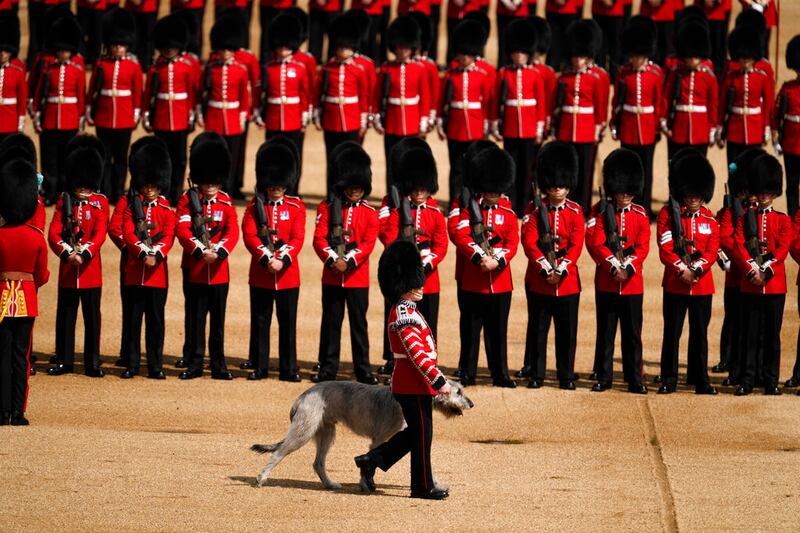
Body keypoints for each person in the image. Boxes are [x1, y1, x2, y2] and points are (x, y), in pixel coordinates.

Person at [354, 239, 452, 501]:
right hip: (412, 383)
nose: (421, 286)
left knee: (417, 434)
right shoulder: (403, 314)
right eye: (414, 283)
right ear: (403, 286)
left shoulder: (408, 310)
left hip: (415, 383)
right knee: (422, 436)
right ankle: (421, 487)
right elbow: (416, 353)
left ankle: (372, 460)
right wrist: (439, 380)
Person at [311, 142, 379, 384]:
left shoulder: (370, 213)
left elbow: (368, 243)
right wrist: (333, 259)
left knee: (358, 325)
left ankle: (363, 369)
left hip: (356, 278)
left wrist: (348, 262)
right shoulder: (328, 208)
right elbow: (319, 239)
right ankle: (327, 368)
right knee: (330, 323)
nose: (354, 192)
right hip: (332, 276)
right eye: (350, 187)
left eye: (358, 188)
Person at [453, 145, 518, 388]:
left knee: (498, 330)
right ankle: (467, 372)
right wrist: (480, 256)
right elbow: (461, 235)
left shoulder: (507, 211)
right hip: (474, 278)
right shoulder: (470, 208)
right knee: (470, 330)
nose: (492, 193)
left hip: (500, 281)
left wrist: (497, 260)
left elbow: (512, 242)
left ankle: (500, 373)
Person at [175, 133, 239, 380]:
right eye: (207, 180)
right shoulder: (188, 200)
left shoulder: (225, 202)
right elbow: (182, 229)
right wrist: (200, 251)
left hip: (219, 270)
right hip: (196, 267)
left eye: (214, 180)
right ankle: (195, 362)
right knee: (196, 318)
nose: (210, 184)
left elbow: (232, 232)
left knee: (217, 322)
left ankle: (218, 364)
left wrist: (219, 251)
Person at [520, 141, 583, 390]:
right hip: (541, 279)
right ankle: (537, 374)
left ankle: (565, 375)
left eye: (562, 183)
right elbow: (529, 242)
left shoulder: (575, 211)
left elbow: (576, 245)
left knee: (567, 333)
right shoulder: (535, 209)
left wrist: (562, 268)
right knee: (538, 331)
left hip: (567, 282)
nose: (557, 188)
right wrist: (546, 268)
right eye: (554, 183)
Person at [655, 149, 719, 395]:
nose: (693, 197)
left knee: (700, 334)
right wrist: (682, 269)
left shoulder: (709, 219)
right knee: (672, 333)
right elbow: (665, 247)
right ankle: (669, 378)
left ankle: (700, 379)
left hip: (701, 285)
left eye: (698, 193)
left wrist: (696, 270)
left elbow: (711, 252)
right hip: (676, 281)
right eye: (690, 192)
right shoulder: (668, 215)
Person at [586, 149, 650, 394]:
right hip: (608, 281)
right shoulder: (604, 214)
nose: (624, 195)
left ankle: (635, 379)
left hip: (632, 284)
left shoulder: (641, 216)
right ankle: (604, 377)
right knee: (606, 333)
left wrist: (627, 268)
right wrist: (613, 265)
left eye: (629, 192)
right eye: (621, 191)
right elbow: (597, 243)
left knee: (633, 335)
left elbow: (643, 247)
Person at [241, 138, 305, 382]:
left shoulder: (296, 206)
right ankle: (260, 366)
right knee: (261, 321)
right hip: (262, 273)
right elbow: (249, 235)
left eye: (280, 183)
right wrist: (267, 258)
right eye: (273, 183)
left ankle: (289, 368)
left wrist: (282, 260)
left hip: (287, 275)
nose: (276, 187)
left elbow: (297, 237)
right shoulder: (254, 207)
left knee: (288, 323)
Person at [382, 141, 447, 377]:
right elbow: (388, 238)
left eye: (423, 188)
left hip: (428, 279)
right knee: (397, 321)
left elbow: (441, 245)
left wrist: (426, 262)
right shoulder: (398, 210)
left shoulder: (435, 213)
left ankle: (428, 362)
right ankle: (393, 361)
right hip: (401, 278)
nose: (419, 192)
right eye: (415, 188)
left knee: (427, 322)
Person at [46, 136, 108, 378]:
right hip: (68, 270)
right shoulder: (65, 200)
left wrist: (83, 252)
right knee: (66, 317)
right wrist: (67, 253)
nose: (83, 188)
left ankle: (92, 361)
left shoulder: (100, 203)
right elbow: (54, 231)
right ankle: (64, 360)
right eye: (80, 184)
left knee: (92, 319)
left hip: (90, 270)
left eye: (86, 185)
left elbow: (100, 233)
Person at [732, 154, 794, 396]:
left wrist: (765, 269)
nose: (765, 195)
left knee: (772, 336)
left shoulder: (783, 220)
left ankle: (771, 380)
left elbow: (783, 248)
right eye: (761, 191)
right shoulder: (745, 219)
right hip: (751, 283)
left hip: (774, 285)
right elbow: (739, 245)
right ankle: (747, 380)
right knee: (749, 334)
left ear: (774, 192)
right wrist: (752, 269)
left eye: (769, 191)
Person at [119, 139, 176, 379]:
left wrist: (155, 254)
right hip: (135, 271)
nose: (150, 188)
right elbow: (127, 231)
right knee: (133, 321)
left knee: (155, 322)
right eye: (146, 184)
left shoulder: (166, 210)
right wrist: (143, 252)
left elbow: (169, 236)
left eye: (154, 184)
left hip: (157, 275)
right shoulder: (133, 207)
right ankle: (132, 364)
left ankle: (155, 365)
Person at [0, 159, 49, 426]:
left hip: (1, 299)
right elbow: (42, 275)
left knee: (2, 355)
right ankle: (18, 412)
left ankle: (2, 411)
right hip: (26, 300)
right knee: (22, 357)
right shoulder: (35, 236)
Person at [715, 148, 763, 382]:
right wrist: (744, 260)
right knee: (733, 319)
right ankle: (730, 361)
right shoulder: (731, 210)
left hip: (756, 276)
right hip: (736, 275)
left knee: (753, 325)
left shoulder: (762, 212)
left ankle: (753, 366)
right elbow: (724, 239)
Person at [86, 8, 142, 205]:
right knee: (105, 157)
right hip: (103, 116)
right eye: (115, 45)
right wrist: (89, 109)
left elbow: (137, 91)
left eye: (122, 45)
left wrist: (136, 113)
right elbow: (92, 88)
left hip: (124, 117)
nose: (118, 48)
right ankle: (105, 191)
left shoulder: (133, 66)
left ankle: (118, 192)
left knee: (120, 159)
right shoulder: (101, 64)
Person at [610, 16, 663, 218]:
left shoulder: (655, 73)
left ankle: (644, 208)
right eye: (633, 56)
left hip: (648, 127)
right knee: (628, 170)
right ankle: (628, 208)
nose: (635, 60)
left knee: (646, 171)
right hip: (628, 126)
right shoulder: (623, 73)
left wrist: (658, 125)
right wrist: (614, 123)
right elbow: (617, 101)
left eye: (639, 56)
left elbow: (659, 102)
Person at [491, 18, 544, 216]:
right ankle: (511, 205)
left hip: (529, 128)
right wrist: (495, 123)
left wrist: (539, 128)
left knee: (527, 169)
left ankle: (526, 205)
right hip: (510, 127)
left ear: (528, 53)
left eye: (522, 52)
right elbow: (497, 101)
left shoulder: (535, 74)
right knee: (511, 168)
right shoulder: (503, 73)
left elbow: (540, 103)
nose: (519, 55)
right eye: (516, 52)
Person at [437, 20, 493, 205]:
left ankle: (474, 202)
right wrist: (440, 122)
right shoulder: (451, 74)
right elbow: (442, 100)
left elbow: (488, 102)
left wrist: (488, 125)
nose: (464, 57)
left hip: (476, 127)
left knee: (474, 168)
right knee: (456, 169)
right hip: (455, 127)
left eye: (467, 54)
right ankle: (455, 202)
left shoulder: (482, 74)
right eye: (461, 54)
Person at [555, 20, 607, 216]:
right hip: (567, 128)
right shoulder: (564, 77)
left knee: (585, 172)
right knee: (568, 170)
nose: (577, 60)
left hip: (587, 130)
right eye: (575, 56)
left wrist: (598, 128)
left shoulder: (597, 77)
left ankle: (583, 209)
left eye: (582, 56)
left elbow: (600, 106)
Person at [143, 14, 196, 206]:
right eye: (166, 46)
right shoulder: (155, 69)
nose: (169, 49)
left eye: (172, 46)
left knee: (180, 159)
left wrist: (191, 113)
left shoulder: (186, 67)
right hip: (161, 118)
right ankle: (163, 192)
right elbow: (148, 93)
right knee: (162, 159)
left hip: (180, 118)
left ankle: (176, 191)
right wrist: (146, 114)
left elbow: (191, 92)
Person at [32, 16, 84, 206]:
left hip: (70, 119)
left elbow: (81, 97)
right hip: (50, 118)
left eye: (66, 50)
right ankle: (50, 191)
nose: (63, 53)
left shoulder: (77, 70)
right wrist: (37, 115)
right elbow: (39, 94)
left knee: (67, 158)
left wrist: (80, 119)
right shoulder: (48, 69)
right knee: (49, 159)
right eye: (60, 50)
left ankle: (66, 192)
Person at [374, 15, 431, 189]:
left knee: (411, 164)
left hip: (413, 123)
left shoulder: (419, 69)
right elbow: (377, 94)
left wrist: (423, 122)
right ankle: (392, 198)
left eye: (407, 47)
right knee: (392, 164)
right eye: (400, 46)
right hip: (392, 122)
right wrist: (376, 116)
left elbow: (425, 97)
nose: (404, 50)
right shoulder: (386, 68)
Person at [197, 14, 251, 198]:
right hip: (214, 117)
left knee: (232, 158)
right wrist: (200, 113)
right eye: (222, 48)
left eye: (229, 48)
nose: (226, 52)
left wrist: (242, 117)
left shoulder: (241, 70)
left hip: (233, 118)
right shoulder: (210, 69)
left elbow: (244, 96)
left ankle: (229, 189)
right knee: (214, 157)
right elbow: (201, 93)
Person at [257, 14, 311, 197]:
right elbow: (263, 94)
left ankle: (292, 191)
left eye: (287, 47)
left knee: (294, 158)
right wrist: (260, 114)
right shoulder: (269, 68)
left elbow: (304, 94)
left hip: (293, 120)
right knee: (272, 157)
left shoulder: (300, 68)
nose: (282, 50)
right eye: (280, 46)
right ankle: (271, 190)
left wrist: (304, 117)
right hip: (273, 119)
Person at [314, 15, 370, 174]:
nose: (344, 50)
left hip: (352, 121)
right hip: (331, 120)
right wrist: (317, 116)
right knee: (332, 160)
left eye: (347, 47)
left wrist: (363, 121)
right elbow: (319, 93)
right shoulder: (327, 69)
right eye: (341, 47)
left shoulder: (359, 70)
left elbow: (363, 97)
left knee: (352, 161)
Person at [716, 25, 774, 166]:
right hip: (734, 129)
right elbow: (722, 104)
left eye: (748, 60)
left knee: (753, 167)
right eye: (742, 59)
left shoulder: (762, 78)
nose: (744, 63)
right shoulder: (730, 78)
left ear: (754, 59)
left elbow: (767, 106)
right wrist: (720, 127)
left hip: (755, 129)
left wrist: (766, 127)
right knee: (733, 168)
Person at [660, 22, 718, 161]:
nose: (692, 59)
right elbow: (666, 97)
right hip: (679, 127)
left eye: (696, 56)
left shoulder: (709, 77)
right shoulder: (676, 73)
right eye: (689, 56)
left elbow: (713, 105)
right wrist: (663, 120)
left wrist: (712, 128)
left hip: (700, 129)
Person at [775, 36, 800, 218]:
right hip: (791, 143)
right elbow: (777, 115)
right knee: (792, 185)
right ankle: (793, 219)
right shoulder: (787, 88)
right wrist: (776, 136)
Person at [0, 12, 26, 143]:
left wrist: (20, 122)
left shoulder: (18, 70)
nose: (2, 54)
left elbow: (21, 98)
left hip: (10, 120)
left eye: (6, 50)